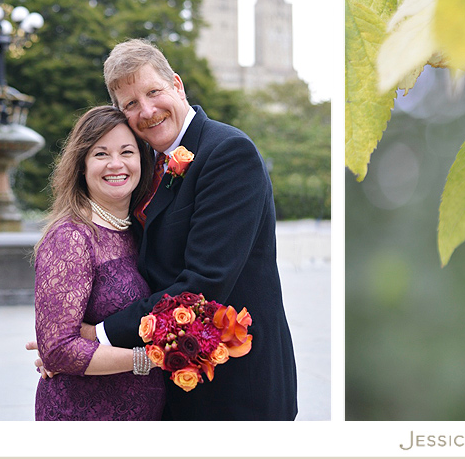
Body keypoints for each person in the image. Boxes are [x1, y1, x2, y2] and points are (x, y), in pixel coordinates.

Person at [91, 39, 297, 420]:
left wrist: (97, 336)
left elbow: (203, 285)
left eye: (154, 92)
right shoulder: (143, 164)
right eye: (130, 104)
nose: (147, 110)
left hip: (236, 390)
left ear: (177, 85)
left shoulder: (229, 153)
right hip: (173, 385)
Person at [31, 105, 164, 420]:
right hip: (82, 414)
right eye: (101, 154)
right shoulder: (71, 237)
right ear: (82, 165)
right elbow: (58, 350)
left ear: (142, 161)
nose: (116, 164)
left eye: (127, 152)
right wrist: (150, 359)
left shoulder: (139, 230)